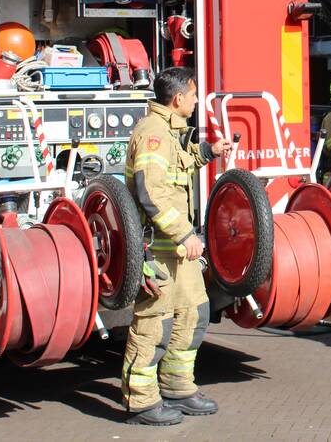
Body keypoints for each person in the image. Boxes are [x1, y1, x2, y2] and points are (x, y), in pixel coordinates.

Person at [121, 68, 231, 426]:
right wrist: (185, 234)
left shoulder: (170, 131)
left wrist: (209, 152)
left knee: (194, 313)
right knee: (154, 326)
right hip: (158, 250)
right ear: (178, 98)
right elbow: (151, 192)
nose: (197, 101)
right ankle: (141, 402)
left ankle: (177, 387)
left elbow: (179, 166)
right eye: (194, 95)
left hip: (179, 252)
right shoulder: (153, 134)